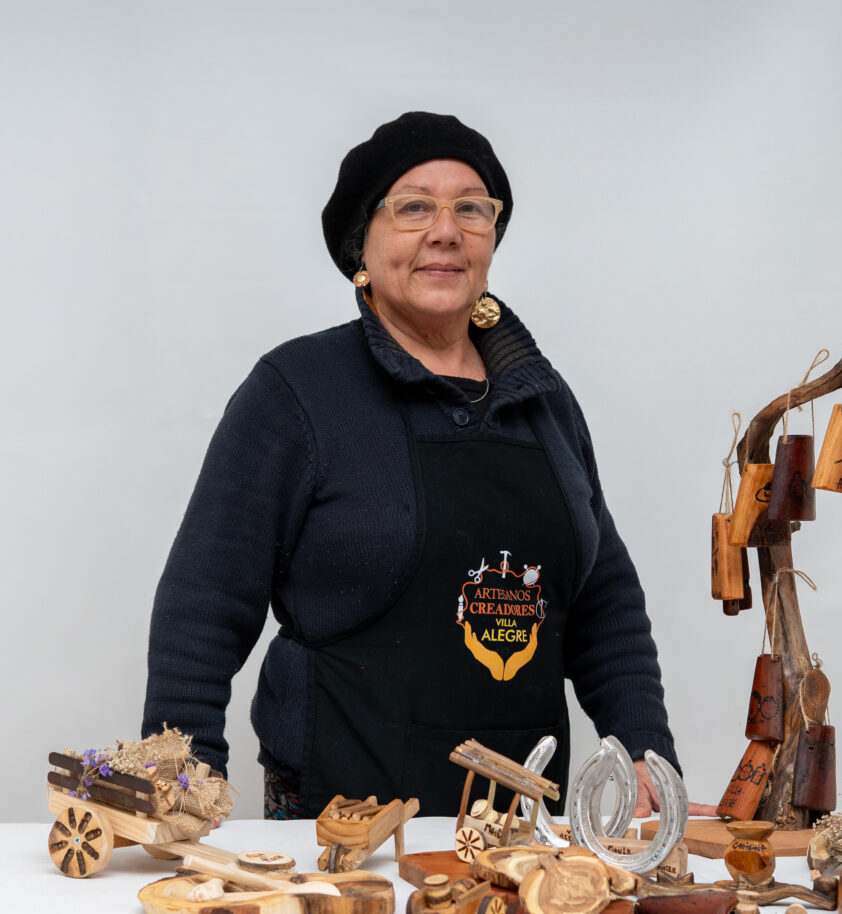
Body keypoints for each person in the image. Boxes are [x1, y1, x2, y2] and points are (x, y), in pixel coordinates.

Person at [144, 112, 707, 820]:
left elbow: (603, 600)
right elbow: (203, 603)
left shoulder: (544, 399)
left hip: (520, 820)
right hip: (336, 818)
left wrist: (644, 749)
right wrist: (182, 779)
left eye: (471, 209)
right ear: (362, 243)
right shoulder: (298, 390)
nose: (446, 231)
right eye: (414, 207)